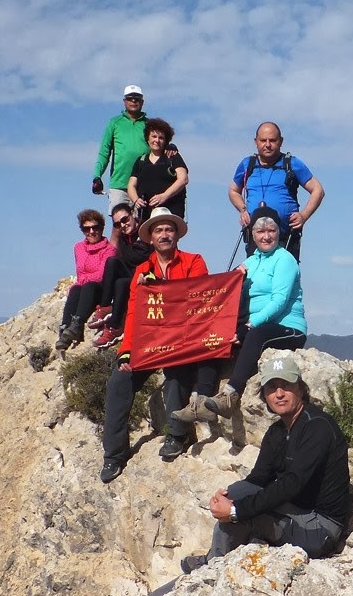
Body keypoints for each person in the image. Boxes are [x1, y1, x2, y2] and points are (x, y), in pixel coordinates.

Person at [105, 354, 353, 596]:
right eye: (272, 388)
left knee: (237, 519)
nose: (279, 394)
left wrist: (236, 511)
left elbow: (292, 484)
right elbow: (259, 478)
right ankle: (211, 561)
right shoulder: (277, 431)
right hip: (298, 513)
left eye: (287, 386)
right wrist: (228, 496)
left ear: (301, 389)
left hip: (320, 528)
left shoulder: (317, 427)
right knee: (237, 492)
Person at [99, 211, 219, 482]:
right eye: (159, 230)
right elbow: (133, 313)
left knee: (177, 374)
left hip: (182, 340)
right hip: (150, 342)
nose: (164, 234)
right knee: (119, 382)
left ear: (176, 235)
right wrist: (126, 350)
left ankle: (176, 435)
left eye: (169, 229)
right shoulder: (142, 271)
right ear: (151, 238)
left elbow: (195, 297)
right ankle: (114, 455)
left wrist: (161, 287)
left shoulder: (194, 261)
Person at [175, 208, 307, 423]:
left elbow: (280, 300)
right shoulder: (250, 263)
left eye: (271, 230)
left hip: (286, 326)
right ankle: (201, 402)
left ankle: (230, 395)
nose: (266, 236)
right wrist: (236, 278)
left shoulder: (285, 259)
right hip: (253, 324)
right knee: (214, 338)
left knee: (257, 333)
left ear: (278, 232)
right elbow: (227, 294)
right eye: (260, 231)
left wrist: (249, 325)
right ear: (252, 235)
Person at [228, 122, 324, 259]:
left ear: (281, 141)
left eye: (272, 140)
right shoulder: (247, 164)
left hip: (286, 238)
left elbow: (317, 190)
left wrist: (304, 216)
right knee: (256, 278)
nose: (267, 145)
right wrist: (243, 210)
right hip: (255, 238)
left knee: (284, 277)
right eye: (263, 140)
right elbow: (233, 190)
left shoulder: (292, 163)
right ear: (256, 142)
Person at [88, 202, 150, 350]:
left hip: (144, 277)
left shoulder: (146, 232)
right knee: (112, 262)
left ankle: (114, 327)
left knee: (121, 283)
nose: (122, 225)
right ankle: (104, 307)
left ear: (133, 215)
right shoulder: (123, 237)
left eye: (125, 219)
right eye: (117, 224)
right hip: (129, 273)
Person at [56, 209, 116, 350]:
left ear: (101, 228)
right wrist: (80, 282)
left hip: (100, 290)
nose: (91, 232)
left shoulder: (109, 250)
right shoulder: (78, 248)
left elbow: (101, 275)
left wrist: (84, 280)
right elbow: (80, 272)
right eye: (86, 229)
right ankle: (65, 329)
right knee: (76, 289)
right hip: (85, 289)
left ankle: (77, 325)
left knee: (87, 286)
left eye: (95, 227)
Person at [91, 84, 149, 212]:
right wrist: (97, 176)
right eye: (130, 98)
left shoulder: (149, 124)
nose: (133, 101)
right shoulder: (114, 123)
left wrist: (171, 147)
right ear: (124, 101)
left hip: (143, 185)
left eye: (137, 98)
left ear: (142, 102)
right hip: (119, 184)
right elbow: (104, 152)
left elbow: (160, 147)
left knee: (142, 227)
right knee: (119, 225)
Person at [126, 117, 188, 220]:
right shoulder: (140, 160)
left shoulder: (173, 156)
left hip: (171, 211)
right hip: (146, 214)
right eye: (154, 136)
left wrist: (164, 196)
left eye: (161, 137)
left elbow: (183, 179)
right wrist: (136, 200)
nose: (157, 140)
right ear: (148, 138)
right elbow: (131, 185)